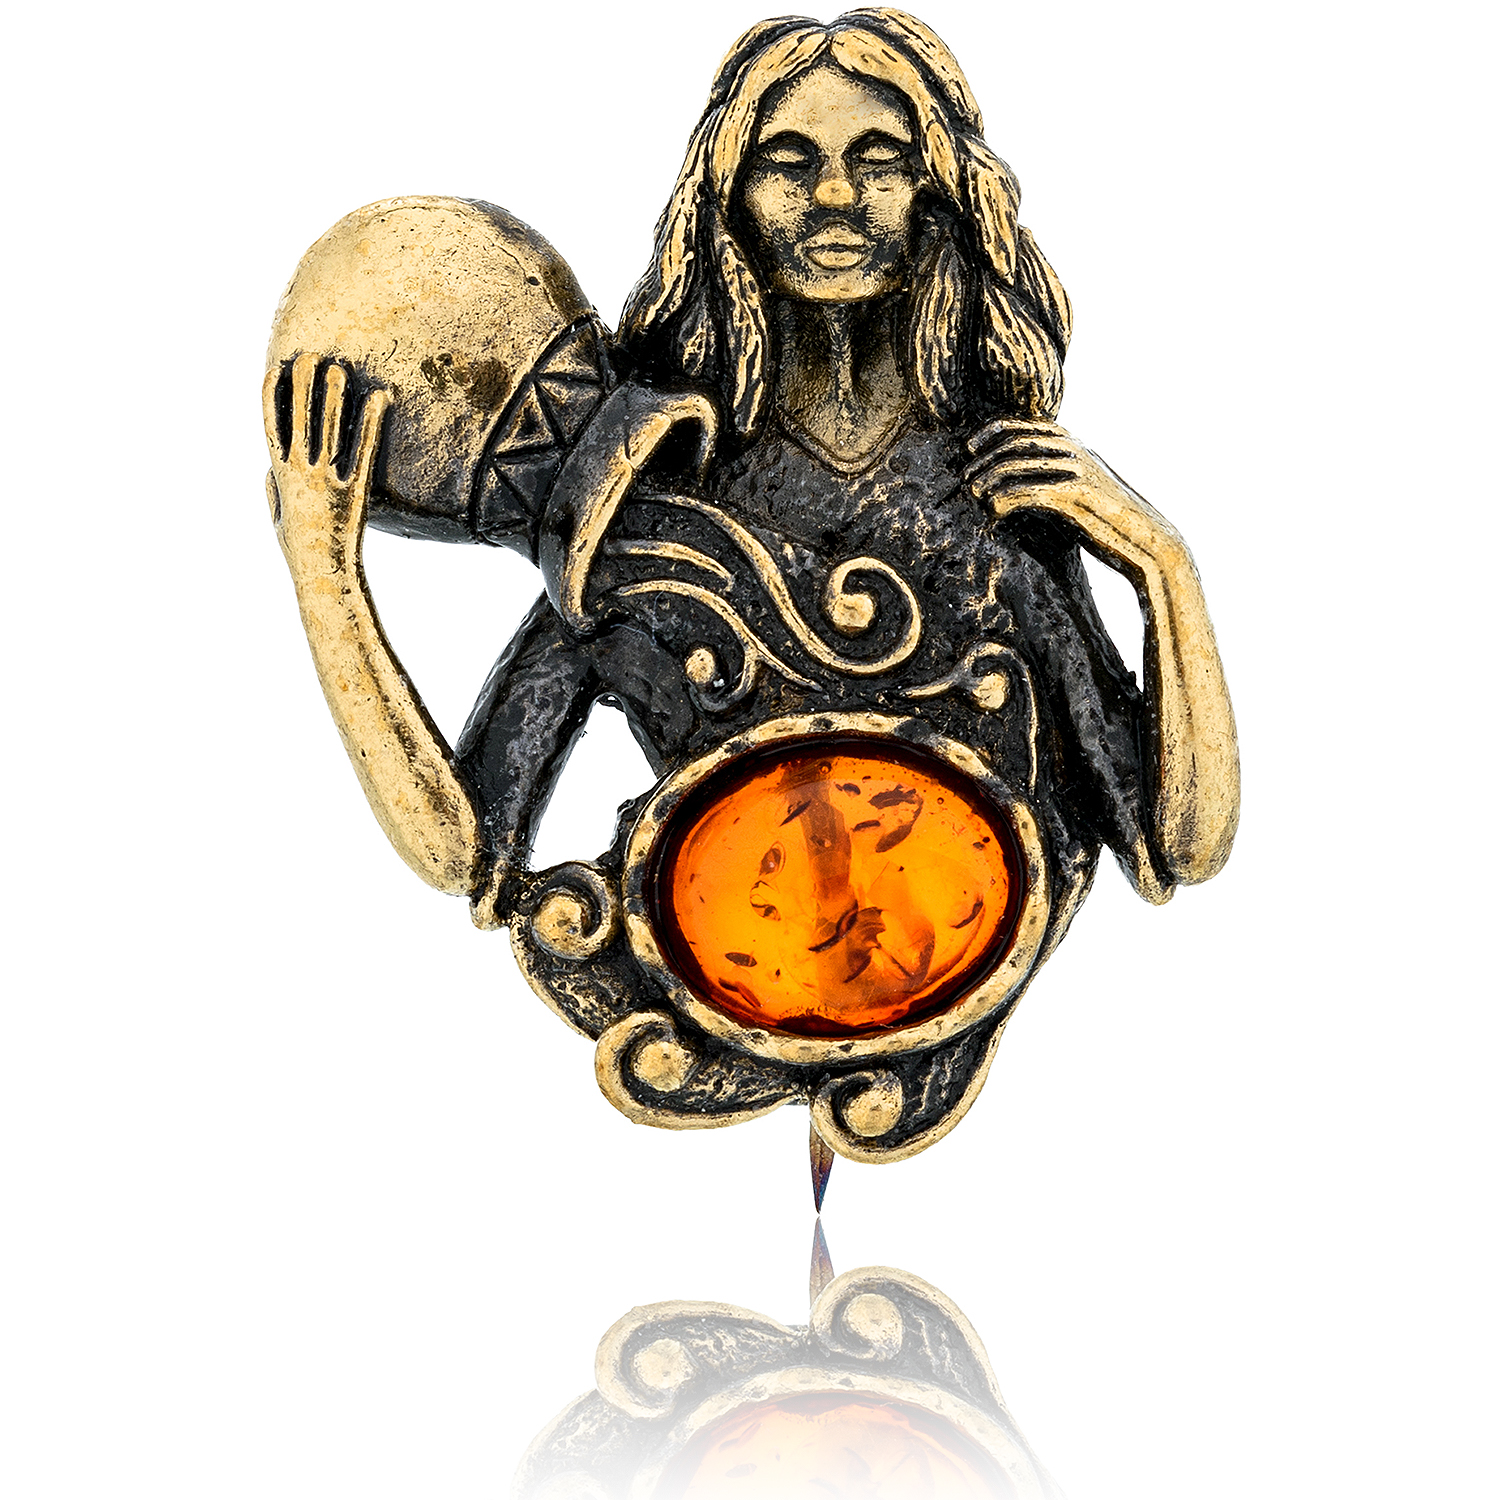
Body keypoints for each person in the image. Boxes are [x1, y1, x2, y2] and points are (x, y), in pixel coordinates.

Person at [264, 8, 1238, 964]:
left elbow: (1179, 847)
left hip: (954, 961)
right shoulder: (640, 506)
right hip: (742, 976)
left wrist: (1162, 568)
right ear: (727, 198)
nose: (835, 194)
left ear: (935, 189)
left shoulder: (1004, 490)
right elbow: (469, 855)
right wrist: (324, 572)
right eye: (786, 162)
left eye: (880, 159)